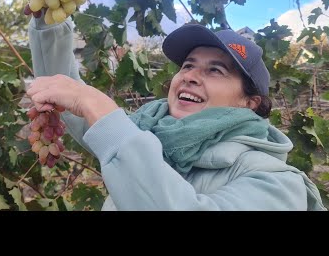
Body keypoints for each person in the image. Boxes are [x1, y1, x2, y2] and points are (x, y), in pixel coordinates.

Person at [27, 15, 327, 211]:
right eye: (188, 65)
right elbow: (66, 93)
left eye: (215, 70)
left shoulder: (278, 184)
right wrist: (49, 23)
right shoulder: (146, 135)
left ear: (249, 102)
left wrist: (103, 112)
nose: (191, 76)